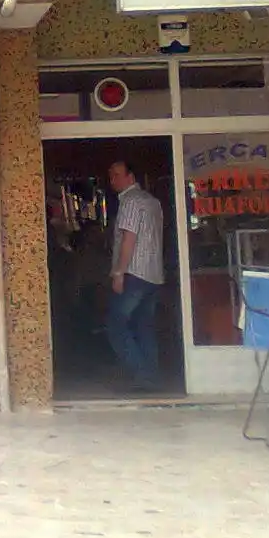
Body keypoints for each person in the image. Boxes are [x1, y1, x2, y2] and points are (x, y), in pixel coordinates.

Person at [105, 159, 165, 392]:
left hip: (134, 273)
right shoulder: (153, 202)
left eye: (117, 175)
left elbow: (129, 239)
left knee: (115, 325)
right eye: (111, 176)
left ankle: (142, 372)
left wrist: (119, 272)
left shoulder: (129, 201)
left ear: (131, 177)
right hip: (154, 274)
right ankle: (151, 377)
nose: (113, 180)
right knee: (144, 326)